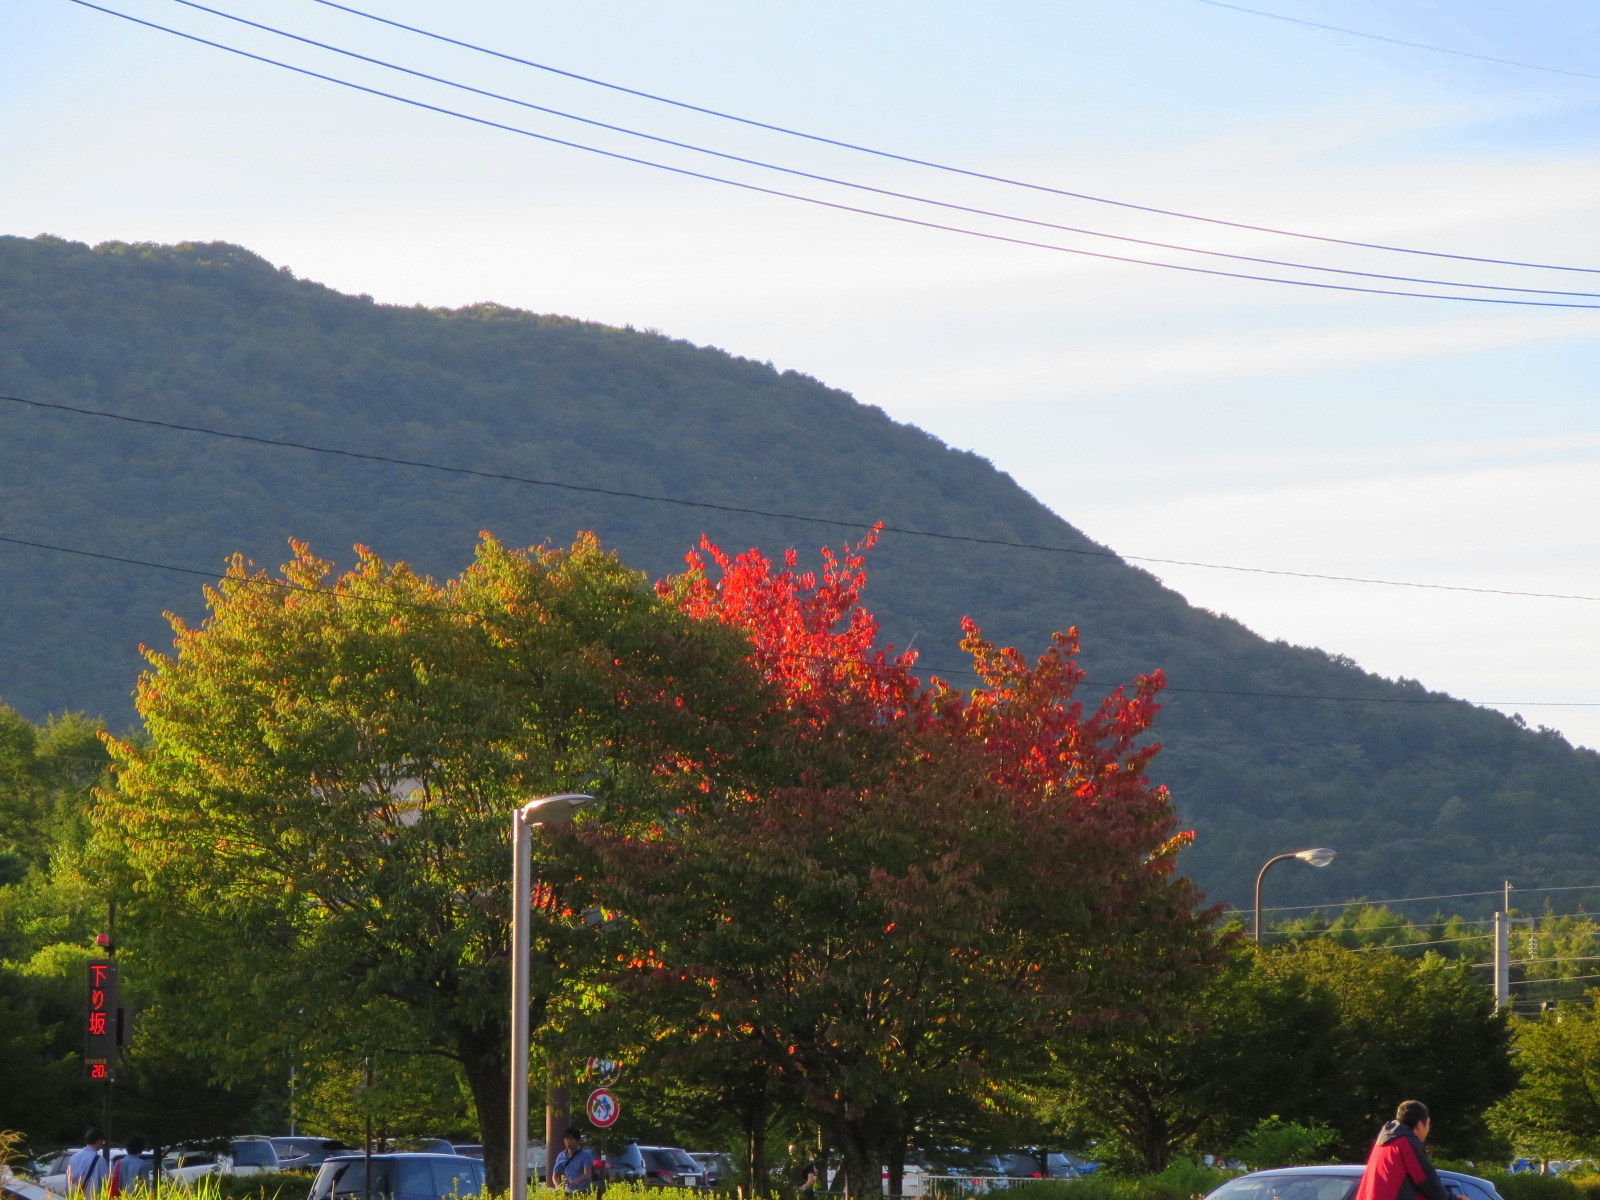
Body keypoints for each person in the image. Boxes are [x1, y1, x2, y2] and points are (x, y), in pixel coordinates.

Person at [1354, 1101, 1452, 1200]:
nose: (1428, 1129)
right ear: (1420, 1125)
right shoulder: (1406, 1142)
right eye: (1428, 1124)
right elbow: (1427, 1182)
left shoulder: (1384, 1141)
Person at [64, 1129, 111, 1198]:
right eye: (102, 1142)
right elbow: (107, 1182)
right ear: (98, 1141)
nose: (102, 1144)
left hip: (75, 1197)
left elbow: (68, 1179)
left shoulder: (73, 1157)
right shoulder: (100, 1160)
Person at [551, 1128, 594, 1193]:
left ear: (577, 1140)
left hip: (584, 1191)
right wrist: (557, 1187)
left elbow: (587, 1174)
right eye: (566, 1139)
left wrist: (576, 1181)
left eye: (571, 1139)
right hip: (568, 1191)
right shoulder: (561, 1156)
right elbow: (555, 1175)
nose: (568, 1141)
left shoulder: (586, 1155)